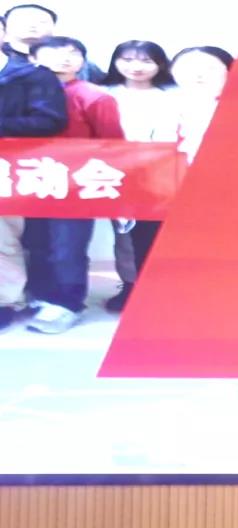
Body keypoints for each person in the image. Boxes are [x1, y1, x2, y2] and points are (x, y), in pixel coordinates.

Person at [22, 35, 122, 333]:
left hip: (75, 185)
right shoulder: (19, 92)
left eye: (73, 53)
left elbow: (113, 145)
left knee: (68, 246)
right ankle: (43, 296)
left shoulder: (94, 96)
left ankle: (69, 303)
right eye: (53, 53)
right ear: (33, 59)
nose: (65, 58)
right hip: (30, 179)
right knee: (36, 243)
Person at [127, 45, 232, 276]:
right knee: (153, 247)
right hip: (159, 191)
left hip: (221, 192)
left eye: (210, 68)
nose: (199, 74)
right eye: (189, 67)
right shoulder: (155, 103)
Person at [100, 39, 178, 311]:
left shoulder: (172, 95)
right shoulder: (102, 93)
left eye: (146, 61)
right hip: (114, 172)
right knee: (124, 233)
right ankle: (130, 285)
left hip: (161, 174)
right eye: (128, 59)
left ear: (160, 64)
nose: (136, 66)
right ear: (115, 62)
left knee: (155, 233)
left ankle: (158, 287)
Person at [0, 13, 67, 331]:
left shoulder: (32, 74)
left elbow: (49, 121)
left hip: (10, 166)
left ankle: (7, 300)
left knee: (4, 239)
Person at [0, 4, 105, 82]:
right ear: (5, 26)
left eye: (42, 21)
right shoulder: (3, 59)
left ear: (53, 27)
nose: (32, 25)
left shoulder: (75, 59)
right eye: (23, 21)